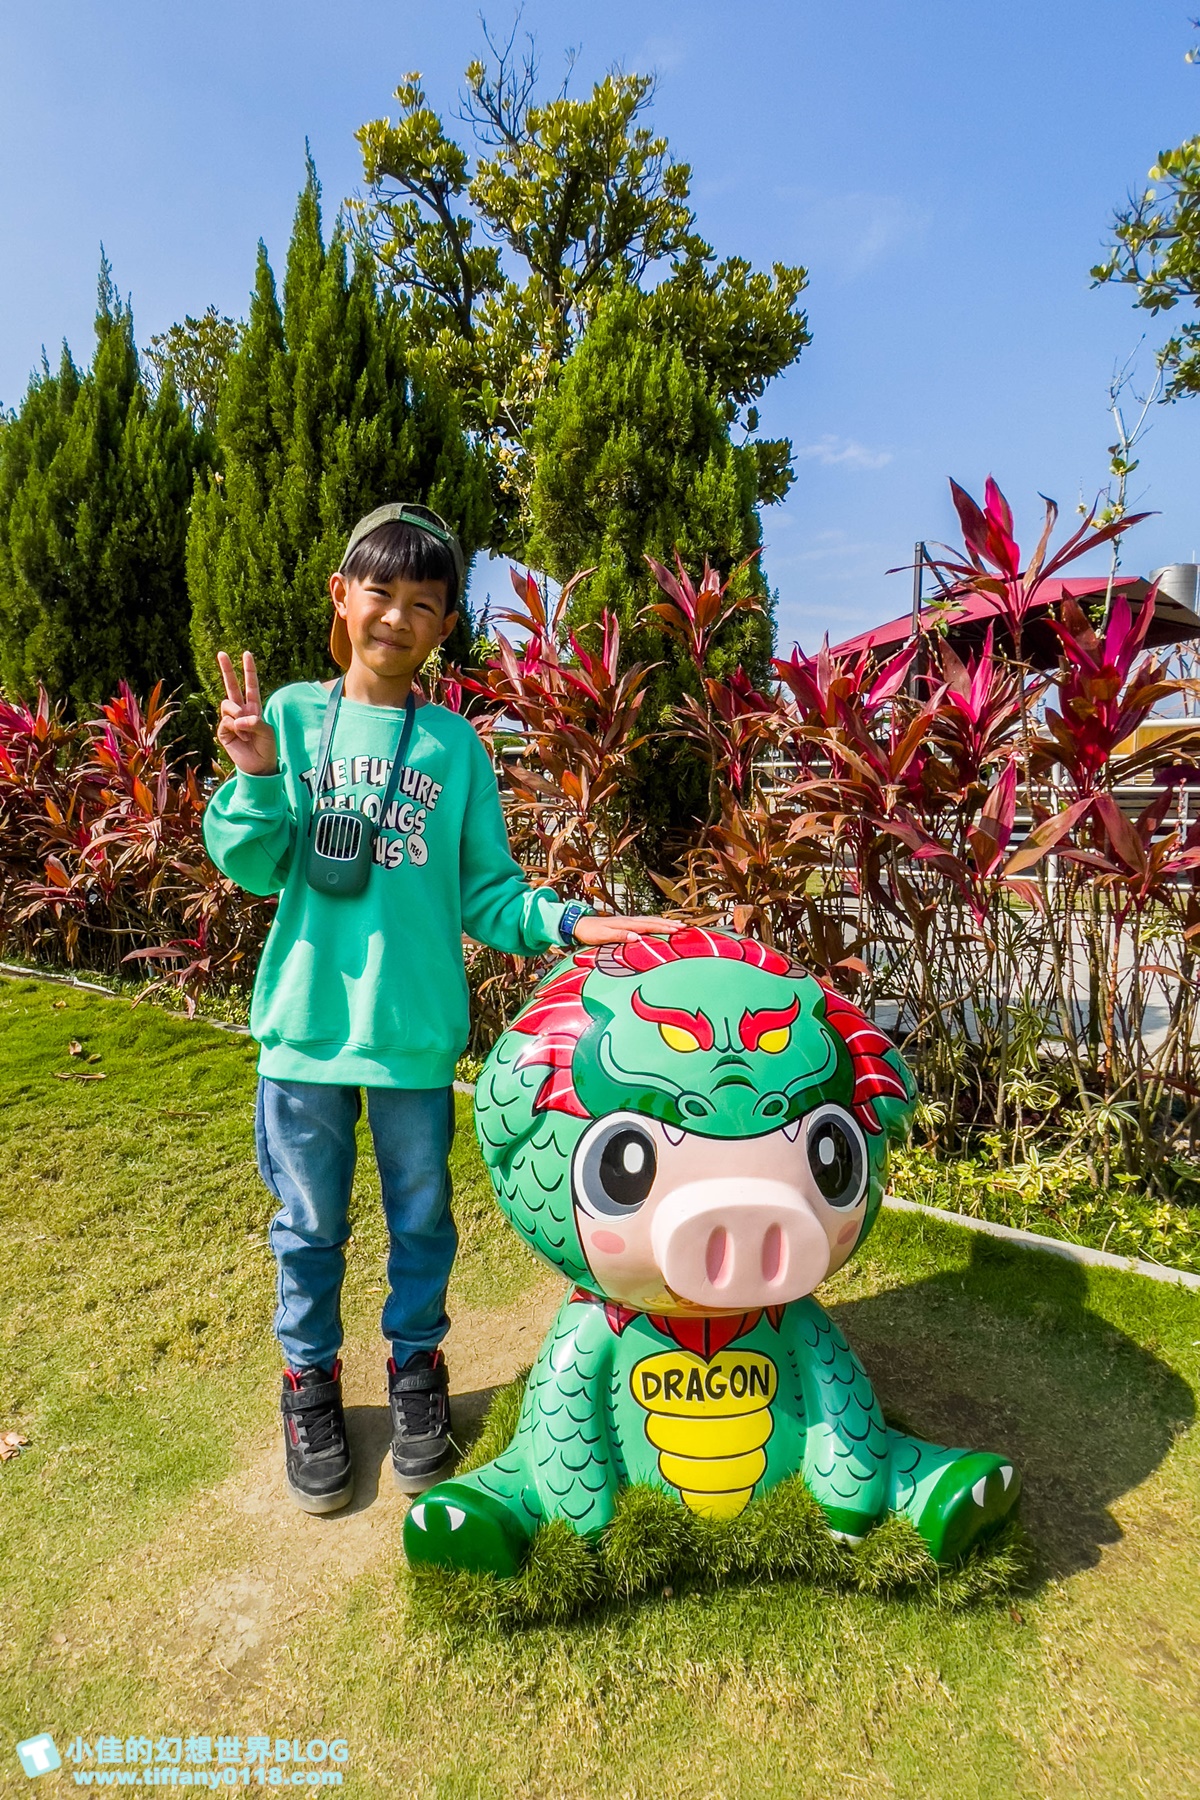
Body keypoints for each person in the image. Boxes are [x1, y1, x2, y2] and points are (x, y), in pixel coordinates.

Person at [202, 502, 680, 1515]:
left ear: (445, 623)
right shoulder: (289, 717)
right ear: (342, 597)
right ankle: (310, 1385)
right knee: (307, 1228)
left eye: (424, 604)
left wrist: (570, 923)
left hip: (414, 1038)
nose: (397, 618)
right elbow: (250, 864)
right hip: (304, 1036)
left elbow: (486, 892)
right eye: (380, 594)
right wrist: (251, 773)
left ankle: (416, 1374)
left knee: (423, 1221)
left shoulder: (454, 747)